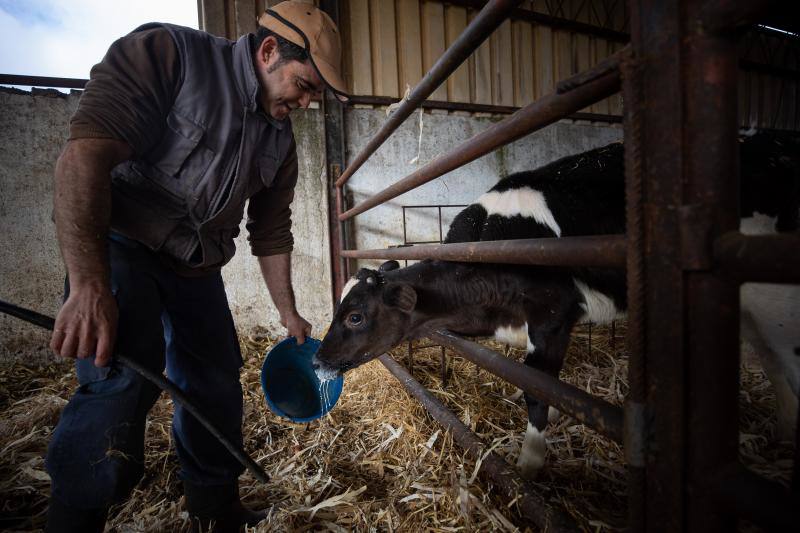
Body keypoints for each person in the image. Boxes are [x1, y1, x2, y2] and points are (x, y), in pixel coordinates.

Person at [44, 2, 348, 531]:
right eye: (304, 85)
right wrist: (90, 285)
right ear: (269, 51)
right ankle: (74, 517)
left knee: (215, 378)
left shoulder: (280, 138)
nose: (305, 101)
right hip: (122, 246)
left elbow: (271, 232)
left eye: (315, 94)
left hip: (195, 266)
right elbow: (83, 158)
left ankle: (213, 507)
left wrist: (289, 314)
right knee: (121, 376)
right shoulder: (169, 55)